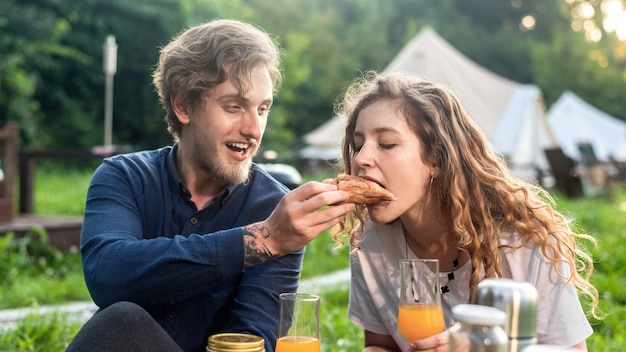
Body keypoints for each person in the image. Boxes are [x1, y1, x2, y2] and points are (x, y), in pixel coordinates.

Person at [65, 19, 355, 352]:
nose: (253, 128)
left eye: (262, 109)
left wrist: (273, 236)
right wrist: (260, 240)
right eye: (234, 106)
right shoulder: (124, 176)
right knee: (121, 322)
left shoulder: (274, 204)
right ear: (183, 105)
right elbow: (107, 274)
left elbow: (255, 336)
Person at [331, 71, 600, 352]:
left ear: (435, 157)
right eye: (358, 145)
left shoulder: (522, 241)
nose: (361, 159)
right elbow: (381, 346)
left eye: (386, 144)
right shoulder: (371, 242)